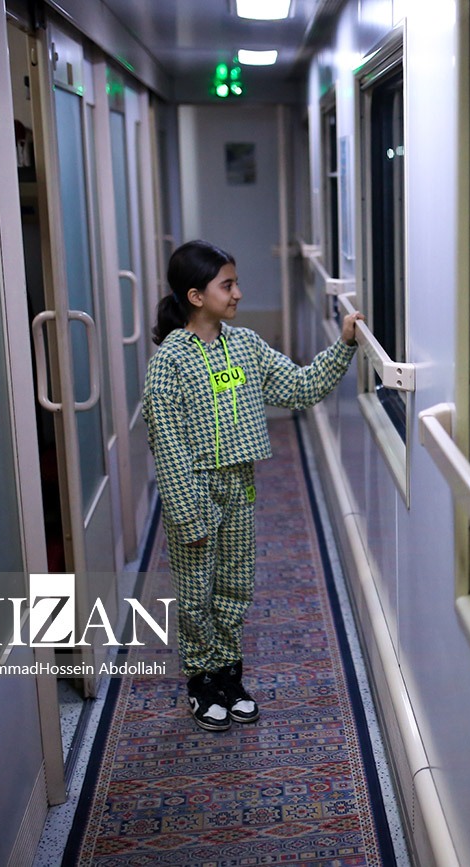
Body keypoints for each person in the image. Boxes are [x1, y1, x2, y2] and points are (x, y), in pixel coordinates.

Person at [143, 239, 364, 732]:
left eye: (236, 283)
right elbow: (168, 445)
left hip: (239, 486)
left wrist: (344, 345)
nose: (238, 293)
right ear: (196, 296)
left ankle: (229, 674)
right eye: (228, 285)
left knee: (235, 585)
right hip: (195, 491)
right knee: (196, 593)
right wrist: (188, 516)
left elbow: (300, 387)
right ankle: (202, 680)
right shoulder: (169, 362)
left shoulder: (244, 345)